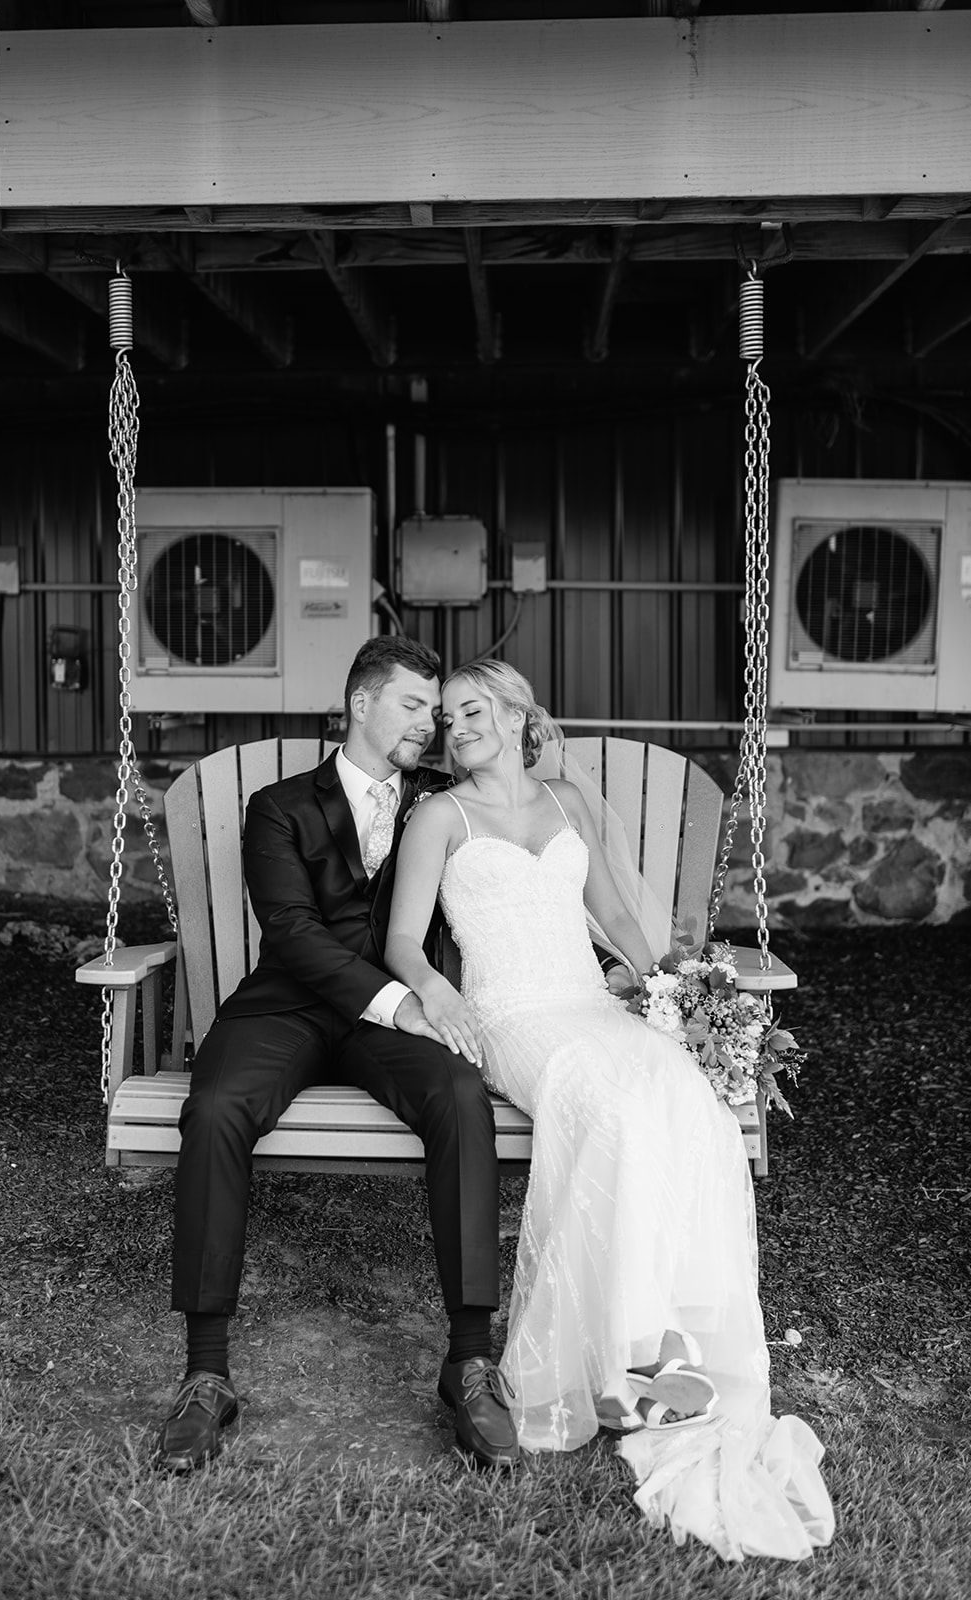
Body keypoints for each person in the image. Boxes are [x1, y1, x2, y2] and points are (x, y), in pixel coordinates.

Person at [385, 658, 835, 1562]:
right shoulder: (438, 816)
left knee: (686, 1099)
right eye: (446, 719)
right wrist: (438, 993)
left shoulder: (568, 808)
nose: (456, 728)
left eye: (473, 710)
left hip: (588, 1004)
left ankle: (674, 1346)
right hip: (511, 1018)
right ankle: (627, 1358)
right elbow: (401, 938)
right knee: (615, 1110)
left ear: (516, 716)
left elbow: (618, 927)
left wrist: (678, 991)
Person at [155, 637, 519, 1474]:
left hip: (386, 1028)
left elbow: (525, 832)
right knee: (212, 1109)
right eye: (413, 706)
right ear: (360, 704)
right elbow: (290, 930)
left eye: (436, 711)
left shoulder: (439, 800)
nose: (429, 726)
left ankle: (467, 1359)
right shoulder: (278, 806)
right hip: (284, 1008)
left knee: (460, 1100)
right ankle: (206, 1374)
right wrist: (405, 999)